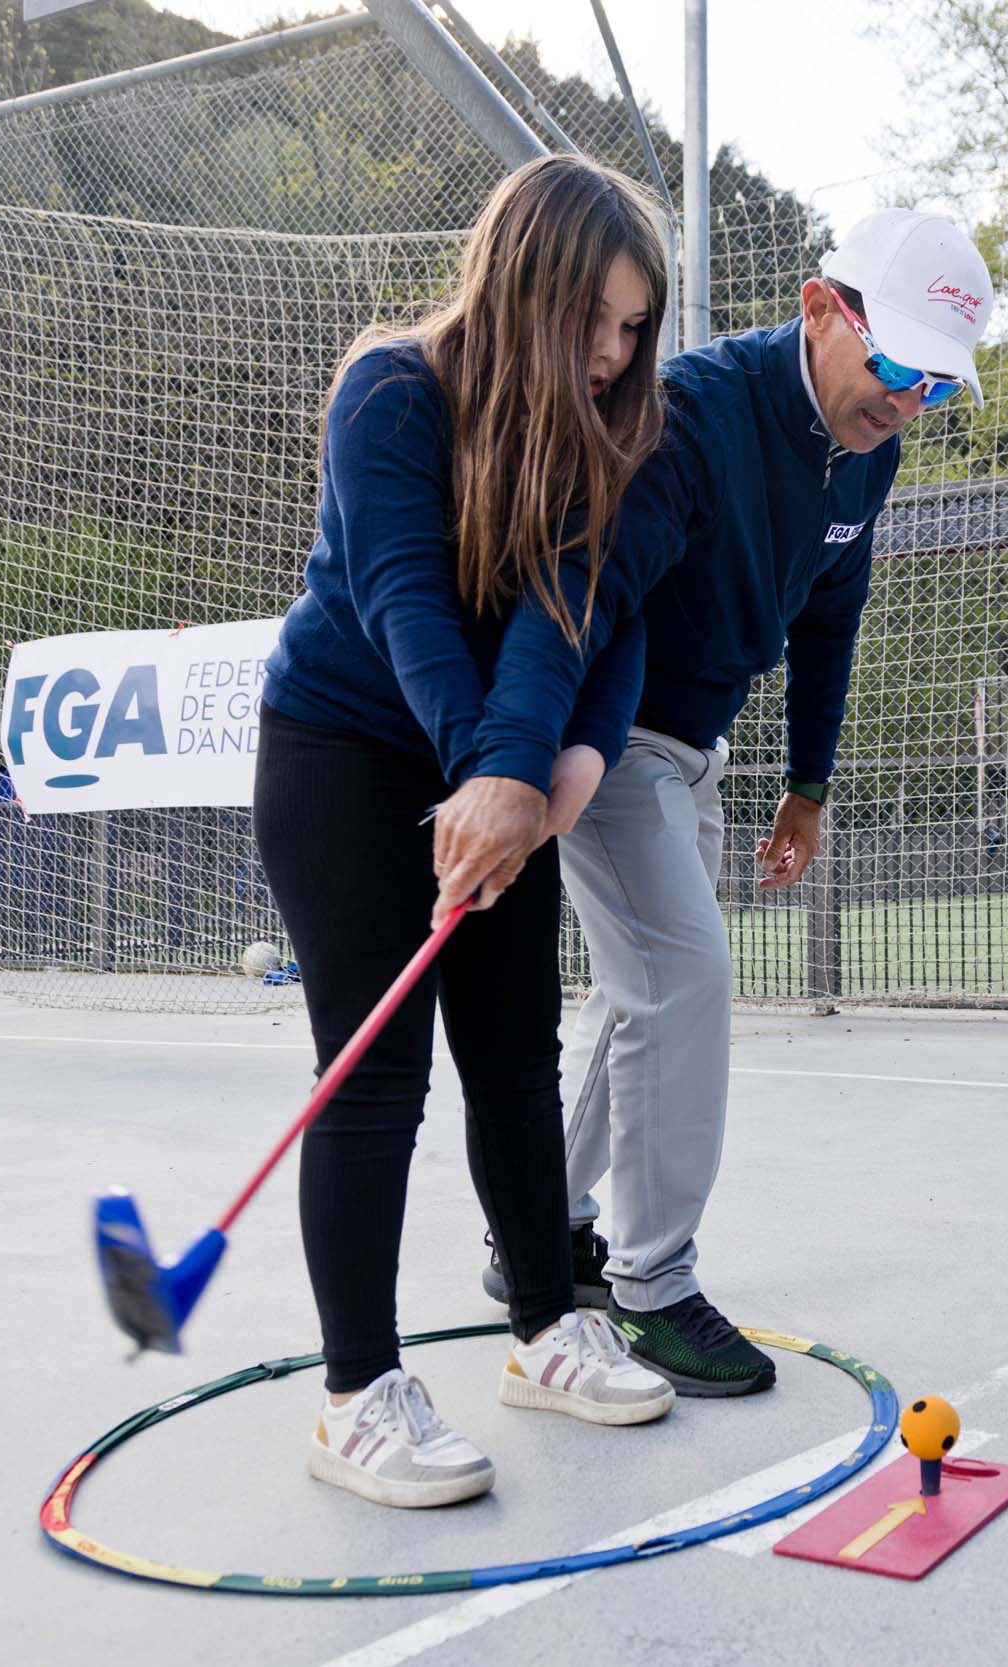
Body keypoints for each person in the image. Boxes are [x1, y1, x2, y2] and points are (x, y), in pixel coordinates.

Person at [477, 210, 997, 1399]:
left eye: (936, 383)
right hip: (609, 744)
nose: (909, 399)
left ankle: (534, 1228)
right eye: (897, 366)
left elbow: (829, 616)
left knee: (645, 992)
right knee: (687, 977)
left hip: (696, 746)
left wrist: (807, 785)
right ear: (820, 307)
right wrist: (522, 761)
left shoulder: (870, 452)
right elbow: (583, 590)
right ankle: (652, 1284)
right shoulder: (690, 415)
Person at [254, 154, 678, 1510]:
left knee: (514, 1051)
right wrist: (484, 779)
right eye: (600, 321)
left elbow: (596, 623)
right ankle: (356, 1394)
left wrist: (559, 774)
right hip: (342, 748)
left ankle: (548, 1326)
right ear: (527, 288)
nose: (617, 355)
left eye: (635, 327)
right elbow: (403, 604)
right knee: (376, 1071)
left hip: (495, 755)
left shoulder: (605, 433)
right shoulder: (390, 388)